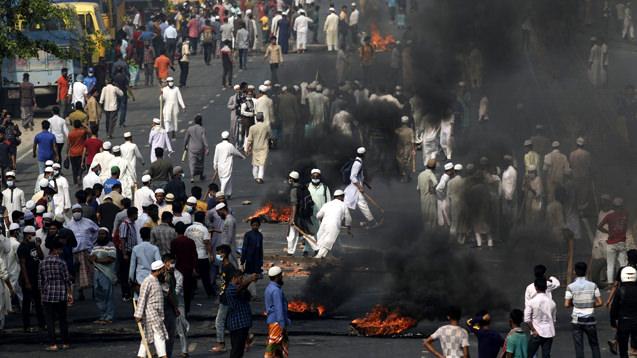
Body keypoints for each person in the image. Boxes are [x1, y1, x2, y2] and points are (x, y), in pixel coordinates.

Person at [39, 239, 72, 351]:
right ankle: (65, 342)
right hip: (61, 294)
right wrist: (70, 293)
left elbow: (41, 281)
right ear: (55, 250)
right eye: (60, 249)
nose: (61, 251)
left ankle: (53, 344)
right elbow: (67, 279)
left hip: (47, 294)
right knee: (63, 319)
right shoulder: (62, 262)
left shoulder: (43, 262)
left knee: (50, 320)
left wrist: (41, 294)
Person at [564, 262, 602, 358]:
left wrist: (576, 303)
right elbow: (600, 302)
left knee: (579, 346)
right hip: (590, 319)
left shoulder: (570, 287)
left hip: (577, 320)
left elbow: (566, 304)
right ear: (586, 271)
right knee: (594, 345)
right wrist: (589, 304)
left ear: (574, 272)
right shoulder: (593, 285)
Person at [134, 260, 169, 358]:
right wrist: (138, 314)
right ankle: (163, 355)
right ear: (159, 270)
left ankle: (141, 355)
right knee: (159, 334)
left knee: (147, 336)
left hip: (157, 313)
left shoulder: (157, 280)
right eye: (163, 269)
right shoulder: (147, 281)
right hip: (151, 313)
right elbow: (142, 298)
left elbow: (166, 290)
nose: (164, 271)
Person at [66, 204, 99, 300]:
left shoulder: (88, 222)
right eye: (75, 211)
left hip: (87, 251)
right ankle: (80, 292)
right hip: (75, 252)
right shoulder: (69, 225)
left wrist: (92, 241)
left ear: (82, 211)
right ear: (72, 213)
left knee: (91, 272)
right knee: (77, 274)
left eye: (78, 210)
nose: (77, 212)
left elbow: (97, 231)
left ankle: (94, 291)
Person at [18, 226, 45, 332]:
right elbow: (23, 265)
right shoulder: (22, 247)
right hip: (27, 278)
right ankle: (26, 326)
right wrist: (27, 281)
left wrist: (38, 246)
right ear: (26, 235)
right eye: (32, 234)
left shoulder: (34, 245)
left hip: (36, 277)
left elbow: (41, 257)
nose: (34, 236)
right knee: (27, 302)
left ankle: (42, 324)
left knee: (38, 302)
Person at [225, 270, 257, 358]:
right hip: (237, 324)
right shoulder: (230, 289)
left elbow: (247, 295)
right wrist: (249, 280)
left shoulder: (240, 288)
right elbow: (238, 290)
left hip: (243, 324)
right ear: (234, 278)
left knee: (239, 351)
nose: (242, 280)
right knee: (236, 351)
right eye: (240, 278)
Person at [344, 147, 378, 228]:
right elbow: (352, 177)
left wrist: (365, 183)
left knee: (345, 203)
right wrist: (360, 187)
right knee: (362, 204)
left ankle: (344, 221)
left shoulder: (359, 161)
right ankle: (372, 222)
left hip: (354, 187)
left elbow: (359, 176)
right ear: (364, 154)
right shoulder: (357, 163)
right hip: (355, 188)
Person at [599, 197, 629, 287]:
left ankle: (610, 283)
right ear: (622, 206)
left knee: (610, 264)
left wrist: (608, 232)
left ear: (613, 206)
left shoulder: (609, 216)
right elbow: (626, 226)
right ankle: (623, 282)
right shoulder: (626, 215)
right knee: (623, 263)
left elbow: (599, 227)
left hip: (611, 242)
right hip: (621, 242)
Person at [90, 227, 117, 324]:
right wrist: (94, 258)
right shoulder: (95, 245)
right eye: (100, 234)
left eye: (103, 234)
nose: (101, 236)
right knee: (98, 295)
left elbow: (110, 259)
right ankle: (102, 315)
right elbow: (91, 256)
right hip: (97, 272)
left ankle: (109, 316)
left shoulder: (111, 245)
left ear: (107, 235)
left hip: (106, 273)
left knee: (107, 295)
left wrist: (97, 260)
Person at [314, 189, 352, 259]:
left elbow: (318, 216)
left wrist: (322, 220)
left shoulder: (327, 204)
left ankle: (323, 257)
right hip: (334, 226)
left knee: (322, 241)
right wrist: (348, 229)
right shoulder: (343, 205)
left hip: (324, 225)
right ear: (341, 197)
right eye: (343, 197)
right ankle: (317, 258)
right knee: (328, 242)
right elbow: (348, 219)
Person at [525, 278, 557, 358]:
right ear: (546, 288)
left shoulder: (531, 302)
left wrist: (533, 330)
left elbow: (527, 319)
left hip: (536, 333)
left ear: (535, 288)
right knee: (546, 355)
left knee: (529, 355)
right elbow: (553, 320)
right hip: (549, 333)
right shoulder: (552, 303)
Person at [610, 266, 637, 358]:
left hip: (623, 322)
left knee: (623, 348)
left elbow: (614, 308)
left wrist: (613, 322)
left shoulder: (620, 291)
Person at [185, 211, 213, 297]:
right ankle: (209, 293)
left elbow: (185, 239)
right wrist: (210, 254)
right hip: (202, 256)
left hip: (190, 256)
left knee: (191, 277)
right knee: (205, 276)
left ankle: (191, 293)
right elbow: (207, 242)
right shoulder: (204, 229)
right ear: (203, 219)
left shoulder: (188, 229)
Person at [170, 222, 197, 314]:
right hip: (188, 269)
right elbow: (194, 256)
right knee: (188, 291)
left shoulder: (174, 242)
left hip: (178, 269)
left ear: (176, 230)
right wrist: (194, 268)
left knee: (177, 290)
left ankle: (179, 309)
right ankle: (187, 309)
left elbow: (172, 257)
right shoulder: (190, 241)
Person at [264, 266, 289, 358]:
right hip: (277, 323)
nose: (282, 277)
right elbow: (279, 309)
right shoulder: (276, 291)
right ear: (277, 277)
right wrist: (282, 325)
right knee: (272, 345)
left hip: (273, 321)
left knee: (278, 348)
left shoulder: (269, 288)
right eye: (281, 275)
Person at [213, 131, 246, 197]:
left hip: (220, 166)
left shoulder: (218, 146)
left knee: (226, 179)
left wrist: (215, 165)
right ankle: (222, 193)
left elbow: (215, 157)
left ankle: (228, 193)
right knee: (225, 180)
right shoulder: (230, 146)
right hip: (227, 166)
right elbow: (236, 153)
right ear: (228, 138)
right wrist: (243, 157)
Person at [130, 225, 161, 290]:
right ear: (150, 236)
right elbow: (159, 264)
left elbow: (132, 266)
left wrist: (130, 279)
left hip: (139, 277)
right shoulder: (155, 248)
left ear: (141, 236)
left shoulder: (136, 248)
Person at [245, 112, 271, 184]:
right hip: (264, 147)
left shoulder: (252, 128)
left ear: (256, 119)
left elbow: (249, 139)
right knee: (262, 164)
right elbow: (269, 136)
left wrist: (247, 148)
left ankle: (255, 176)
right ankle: (260, 177)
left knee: (255, 163)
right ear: (262, 118)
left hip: (255, 147)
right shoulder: (266, 127)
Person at [184, 115, 209, 183]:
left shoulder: (190, 129)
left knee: (192, 162)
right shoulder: (202, 129)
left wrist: (185, 145)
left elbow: (186, 139)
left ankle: (192, 177)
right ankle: (201, 175)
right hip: (200, 148)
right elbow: (204, 139)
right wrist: (207, 148)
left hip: (191, 148)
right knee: (200, 162)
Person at [67, 120, 88, 186]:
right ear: (80, 125)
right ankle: (79, 176)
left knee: (74, 168)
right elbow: (90, 131)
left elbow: (68, 144)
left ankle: (75, 181)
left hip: (72, 153)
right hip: (81, 152)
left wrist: (67, 152)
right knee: (81, 166)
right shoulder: (82, 132)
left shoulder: (70, 133)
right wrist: (84, 125)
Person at [395, 116, 415, 182]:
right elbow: (412, 141)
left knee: (400, 161)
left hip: (399, 148)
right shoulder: (410, 130)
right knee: (408, 162)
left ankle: (402, 175)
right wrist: (413, 149)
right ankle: (408, 175)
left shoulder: (398, 130)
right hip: (408, 147)